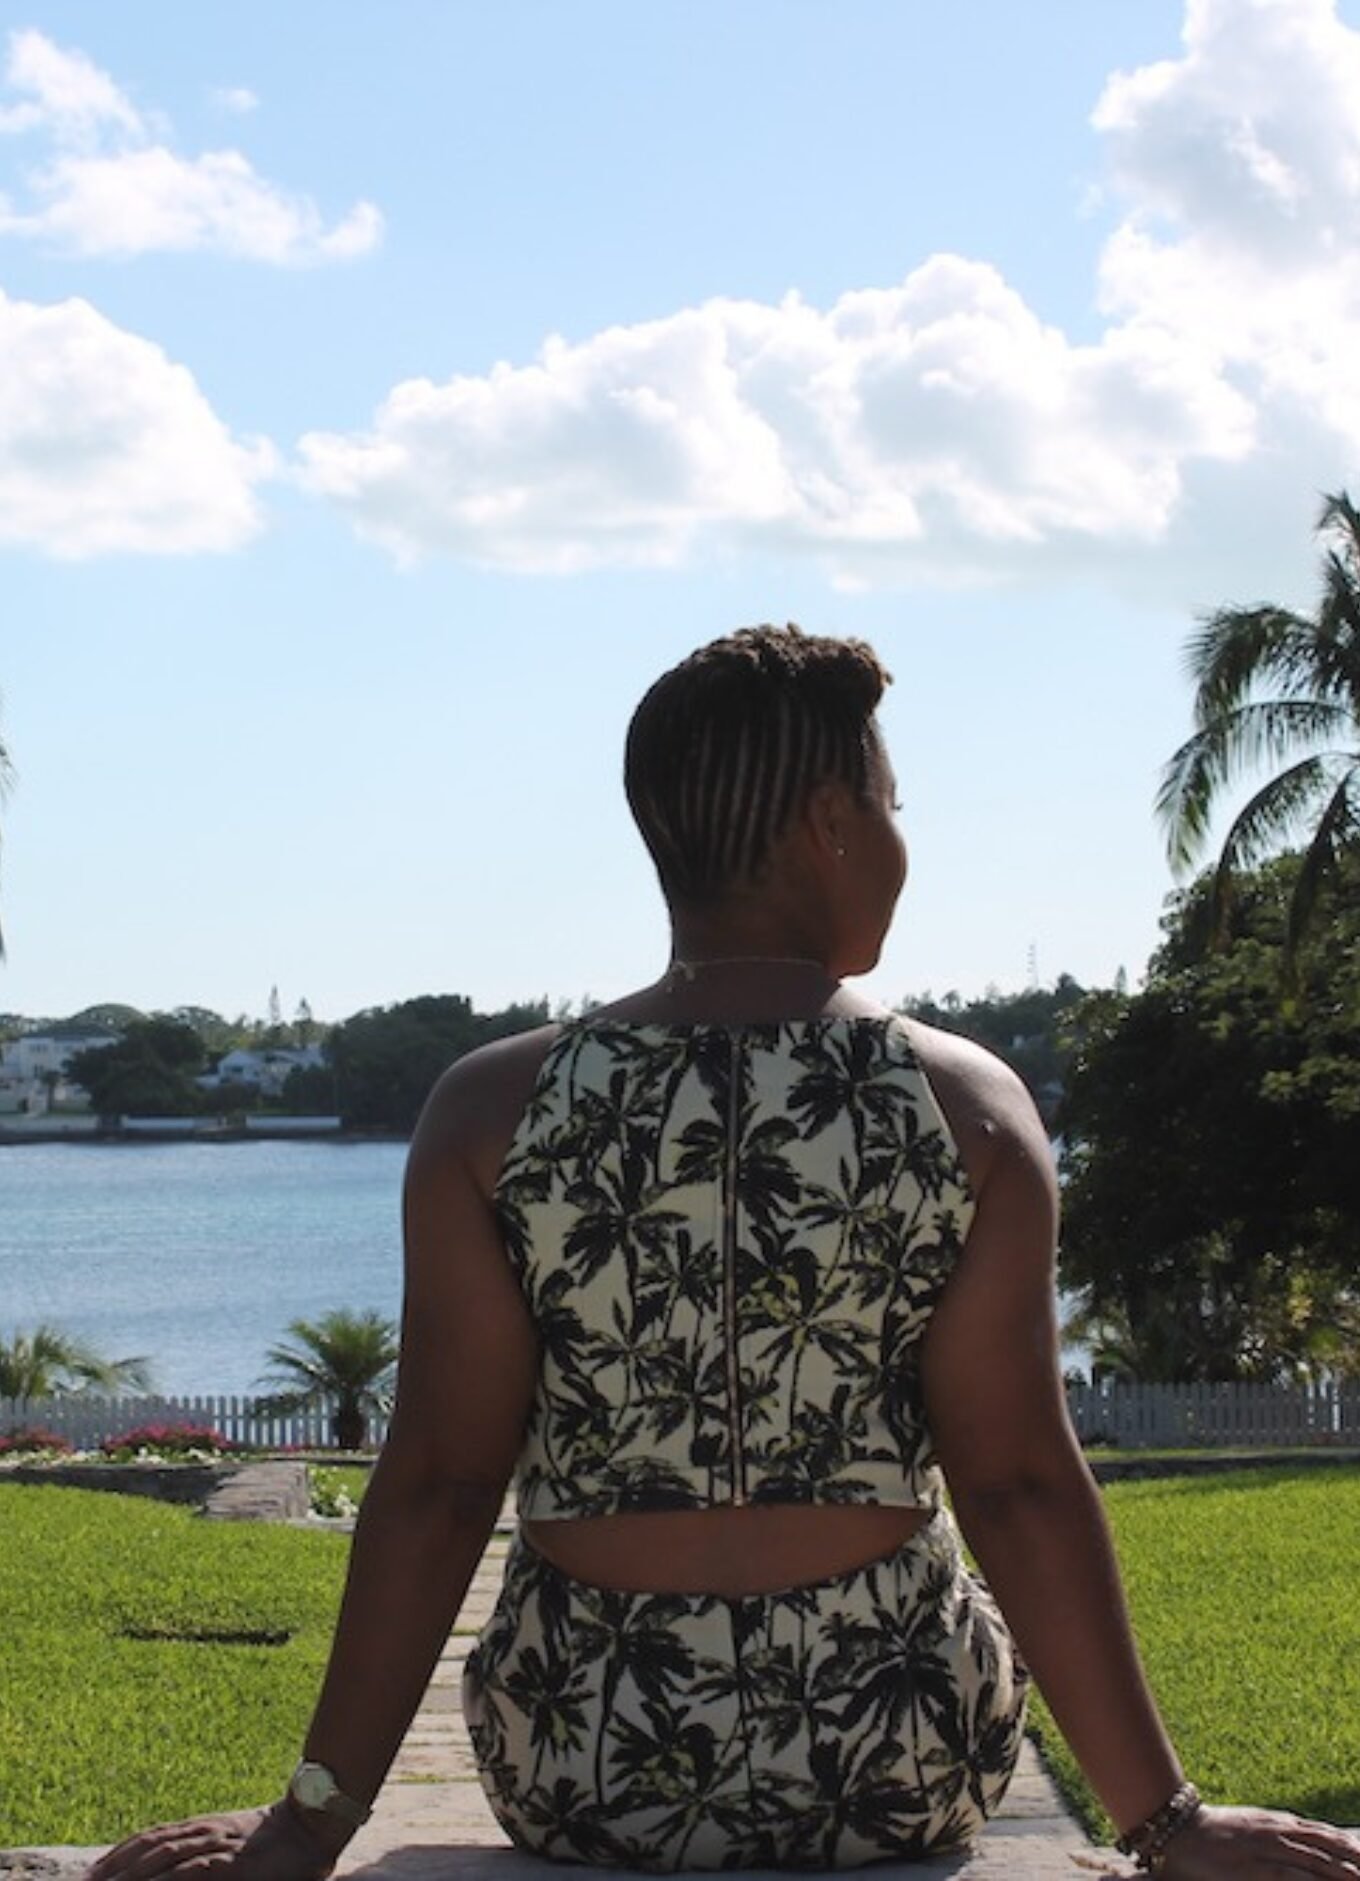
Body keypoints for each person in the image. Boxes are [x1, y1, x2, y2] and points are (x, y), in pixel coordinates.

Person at [90, 626, 1360, 1879]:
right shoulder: (964, 1108)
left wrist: (308, 1822)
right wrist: (1166, 1823)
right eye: (891, 800)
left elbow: (434, 1483)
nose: (903, 840)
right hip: (893, 1752)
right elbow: (1018, 1480)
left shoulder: (494, 1112)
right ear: (831, 822)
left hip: (588, 1757)